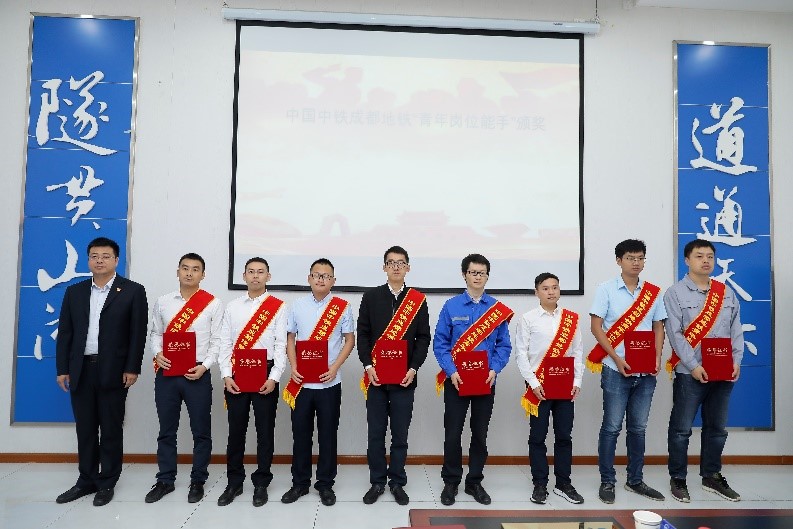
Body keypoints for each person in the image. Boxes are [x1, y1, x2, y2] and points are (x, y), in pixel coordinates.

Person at [55, 237, 148, 507]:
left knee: (110, 428)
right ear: (88, 260)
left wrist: (132, 367)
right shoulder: (75, 292)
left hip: (114, 370)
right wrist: (63, 369)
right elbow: (66, 333)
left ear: (116, 260)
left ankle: (107, 482)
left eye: (106, 256)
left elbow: (137, 333)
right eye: (94, 256)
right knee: (85, 428)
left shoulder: (132, 291)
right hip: (80, 369)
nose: (99, 260)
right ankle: (86, 479)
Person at [664, 239, 743, 502]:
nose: (706, 260)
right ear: (687, 260)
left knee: (717, 428)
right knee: (681, 429)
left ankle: (711, 476)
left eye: (710, 256)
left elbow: (736, 329)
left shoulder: (725, 292)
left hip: (723, 372)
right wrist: (693, 365)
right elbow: (675, 334)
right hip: (690, 373)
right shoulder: (675, 293)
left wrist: (736, 360)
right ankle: (678, 478)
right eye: (699, 256)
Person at [588, 239, 667, 504]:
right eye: (631, 258)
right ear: (619, 260)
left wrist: (657, 357)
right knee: (611, 427)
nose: (636, 262)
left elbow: (658, 327)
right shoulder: (606, 289)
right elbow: (596, 327)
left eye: (640, 258)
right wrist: (616, 358)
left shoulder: (653, 292)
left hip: (646, 372)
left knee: (638, 428)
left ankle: (635, 480)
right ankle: (607, 481)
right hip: (615, 368)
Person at [434, 253, 513, 506]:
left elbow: (504, 346)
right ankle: (451, 481)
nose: (477, 277)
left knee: (479, 433)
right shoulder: (451, 306)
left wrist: (495, 369)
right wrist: (451, 371)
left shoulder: (496, 310)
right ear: (464, 275)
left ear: (487, 276)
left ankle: (474, 481)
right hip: (456, 380)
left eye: (482, 273)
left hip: (485, 381)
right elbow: (441, 344)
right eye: (473, 272)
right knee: (452, 433)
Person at [144, 253, 223, 504]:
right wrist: (158, 354)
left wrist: (205, 366)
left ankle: (198, 480)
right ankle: (165, 480)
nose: (189, 273)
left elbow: (218, 340)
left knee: (201, 431)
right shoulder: (163, 302)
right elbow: (156, 334)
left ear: (203, 274)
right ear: (177, 271)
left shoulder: (212, 303)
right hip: (167, 374)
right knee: (167, 430)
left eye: (195, 269)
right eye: (185, 268)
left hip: (197, 373)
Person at [358, 246, 431, 506]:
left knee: (400, 435)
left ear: (408, 267)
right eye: (391, 263)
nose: (396, 267)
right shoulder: (371, 297)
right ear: (384, 267)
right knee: (376, 434)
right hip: (376, 379)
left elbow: (423, 338)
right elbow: (363, 335)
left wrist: (414, 368)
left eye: (401, 263)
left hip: (404, 379)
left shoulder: (417, 300)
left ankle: (397, 481)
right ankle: (377, 481)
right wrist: (368, 366)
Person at [281, 258, 355, 507]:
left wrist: (335, 368)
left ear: (333, 280)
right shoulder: (297, 306)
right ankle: (300, 483)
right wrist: (293, 367)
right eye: (317, 275)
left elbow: (349, 340)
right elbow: (290, 338)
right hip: (302, 383)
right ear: (309, 278)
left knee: (328, 435)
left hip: (329, 383)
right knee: (300, 435)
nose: (321, 279)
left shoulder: (342, 307)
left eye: (326, 276)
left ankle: (325, 484)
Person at [215, 257, 287, 507]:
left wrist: (274, 377)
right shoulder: (233, 307)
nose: (256, 276)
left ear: (268, 276)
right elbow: (225, 343)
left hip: (266, 373)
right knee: (236, 431)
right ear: (244, 276)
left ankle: (261, 483)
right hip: (238, 372)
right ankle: (234, 482)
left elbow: (281, 345)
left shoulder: (278, 307)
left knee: (265, 431)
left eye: (261, 272)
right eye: (251, 272)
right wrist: (226, 375)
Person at [515, 273, 584, 505]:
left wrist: (577, 382)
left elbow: (577, 351)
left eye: (555, 287)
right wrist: (533, 383)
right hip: (538, 386)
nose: (551, 292)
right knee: (537, 436)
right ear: (537, 292)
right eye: (545, 288)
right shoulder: (528, 319)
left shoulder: (571, 319)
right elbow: (521, 354)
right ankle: (540, 484)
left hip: (565, 386)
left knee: (564, 435)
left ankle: (563, 483)